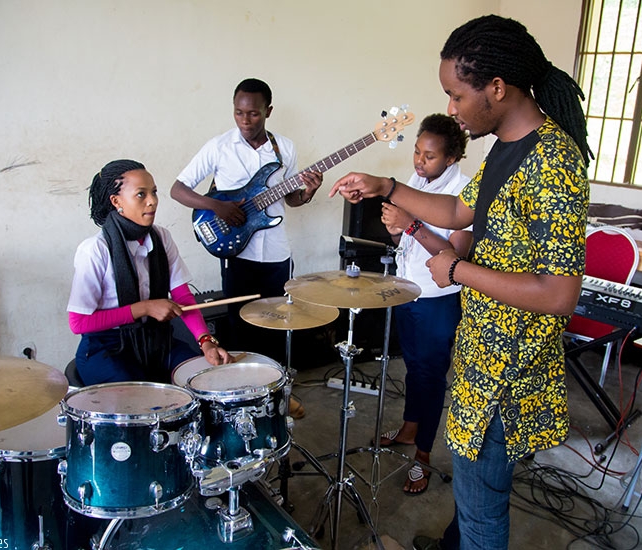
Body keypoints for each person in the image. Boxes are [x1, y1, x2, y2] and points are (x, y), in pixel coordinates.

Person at [330, 15, 591, 550]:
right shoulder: (506, 146)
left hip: (507, 371)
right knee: (474, 504)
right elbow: (455, 209)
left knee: (481, 517)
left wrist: (457, 271)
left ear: (497, 88)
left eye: (455, 94)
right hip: (481, 353)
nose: (450, 108)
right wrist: (388, 186)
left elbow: (560, 294)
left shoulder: (554, 163)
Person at [170, 78, 322, 366]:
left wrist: (309, 192)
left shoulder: (285, 149)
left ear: (269, 111)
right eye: (239, 112)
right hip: (237, 251)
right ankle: (242, 391)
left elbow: (291, 199)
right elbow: (178, 189)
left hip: (277, 251)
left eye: (253, 113)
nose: (245, 120)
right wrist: (217, 205)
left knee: (278, 321)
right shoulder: (219, 147)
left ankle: (275, 389)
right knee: (240, 325)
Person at [68, 159, 232, 386]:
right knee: (141, 403)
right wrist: (144, 308)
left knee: (206, 380)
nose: (152, 201)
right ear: (116, 201)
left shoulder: (162, 237)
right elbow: (78, 323)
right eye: (141, 195)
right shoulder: (95, 249)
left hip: (157, 341)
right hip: (107, 347)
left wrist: (205, 341)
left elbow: (184, 298)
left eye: (154, 192)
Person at [375, 113, 472, 495]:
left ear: (450, 159)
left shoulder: (465, 192)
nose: (418, 161)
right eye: (416, 152)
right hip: (407, 291)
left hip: (438, 300)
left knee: (432, 376)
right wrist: (398, 230)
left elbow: (454, 257)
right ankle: (410, 427)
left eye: (428, 156)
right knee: (414, 368)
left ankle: (424, 455)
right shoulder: (416, 182)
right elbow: (409, 244)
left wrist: (411, 224)